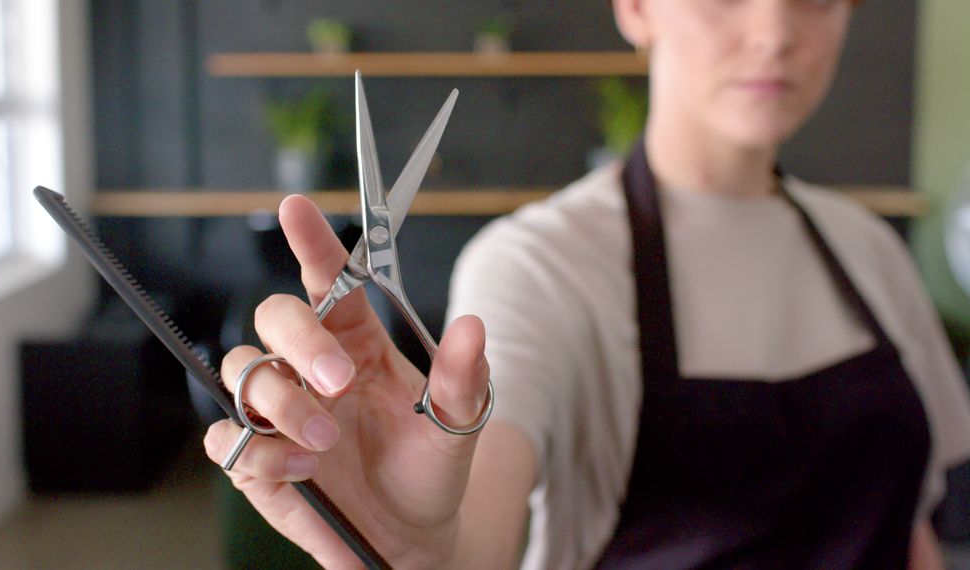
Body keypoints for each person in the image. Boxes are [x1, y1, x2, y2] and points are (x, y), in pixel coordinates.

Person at [203, 0, 970, 567]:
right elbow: (483, 531)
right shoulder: (535, 268)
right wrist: (422, 546)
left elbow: (907, 529)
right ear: (636, 7)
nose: (774, 30)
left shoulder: (870, 251)